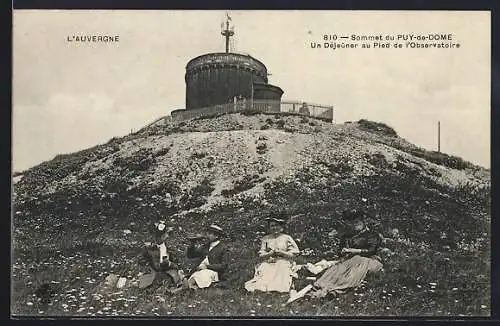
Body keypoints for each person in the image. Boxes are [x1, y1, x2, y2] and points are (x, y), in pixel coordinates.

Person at [307, 210, 384, 298]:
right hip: (349, 260)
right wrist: (343, 251)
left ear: (363, 222)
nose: (355, 225)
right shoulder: (346, 236)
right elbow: (340, 253)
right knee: (336, 269)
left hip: (369, 260)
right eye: (352, 223)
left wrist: (354, 251)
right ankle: (321, 287)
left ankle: (336, 289)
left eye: (357, 222)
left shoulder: (371, 234)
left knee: (355, 267)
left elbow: (371, 250)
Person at [244, 217, 301, 293]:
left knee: (281, 267)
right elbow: (261, 254)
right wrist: (269, 254)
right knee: (265, 267)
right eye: (272, 226)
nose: (275, 228)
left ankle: (278, 289)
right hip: (270, 261)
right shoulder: (266, 239)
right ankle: (264, 289)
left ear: (281, 227)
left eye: (277, 225)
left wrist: (282, 253)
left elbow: (295, 252)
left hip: (283, 260)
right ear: (269, 227)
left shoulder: (287, 237)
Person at [138, 221, 184, 290]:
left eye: (165, 234)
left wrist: (170, 263)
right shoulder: (149, 248)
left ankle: (168, 288)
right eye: (164, 235)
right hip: (153, 273)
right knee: (153, 281)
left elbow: (176, 261)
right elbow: (141, 261)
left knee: (168, 278)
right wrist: (148, 265)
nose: (167, 236)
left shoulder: (168, 247)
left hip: (167, 272)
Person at [186, 224, 228, 289]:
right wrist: (192, 244)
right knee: (195, 277)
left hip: (213, 272)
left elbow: (223, 266)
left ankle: (185, 288)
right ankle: (190, 288)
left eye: (210, 233)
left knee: (196, 278)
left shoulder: (223, 248)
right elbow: (191, 255)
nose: (207, 235)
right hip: (202, 271)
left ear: (216, 236)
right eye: (207, 233)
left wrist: (207, 267)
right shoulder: (206, 246)